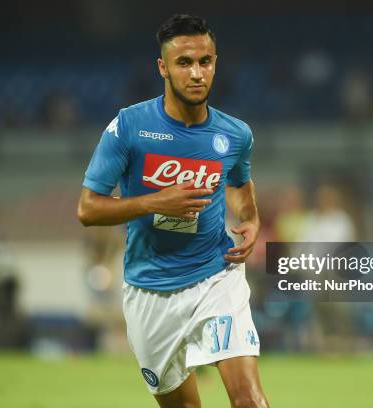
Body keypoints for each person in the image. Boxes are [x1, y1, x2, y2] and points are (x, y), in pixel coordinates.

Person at [77, 14, 269, 408]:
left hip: (216, 276)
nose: (197, 73)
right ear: (163, 67)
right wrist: (153, 202)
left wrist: (249, 219)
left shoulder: (234, 134)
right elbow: (88, 209)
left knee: (248, 398)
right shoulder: (130, 126)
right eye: (184, 63)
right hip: (149, 290)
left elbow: (238, 182)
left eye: (206, 61)